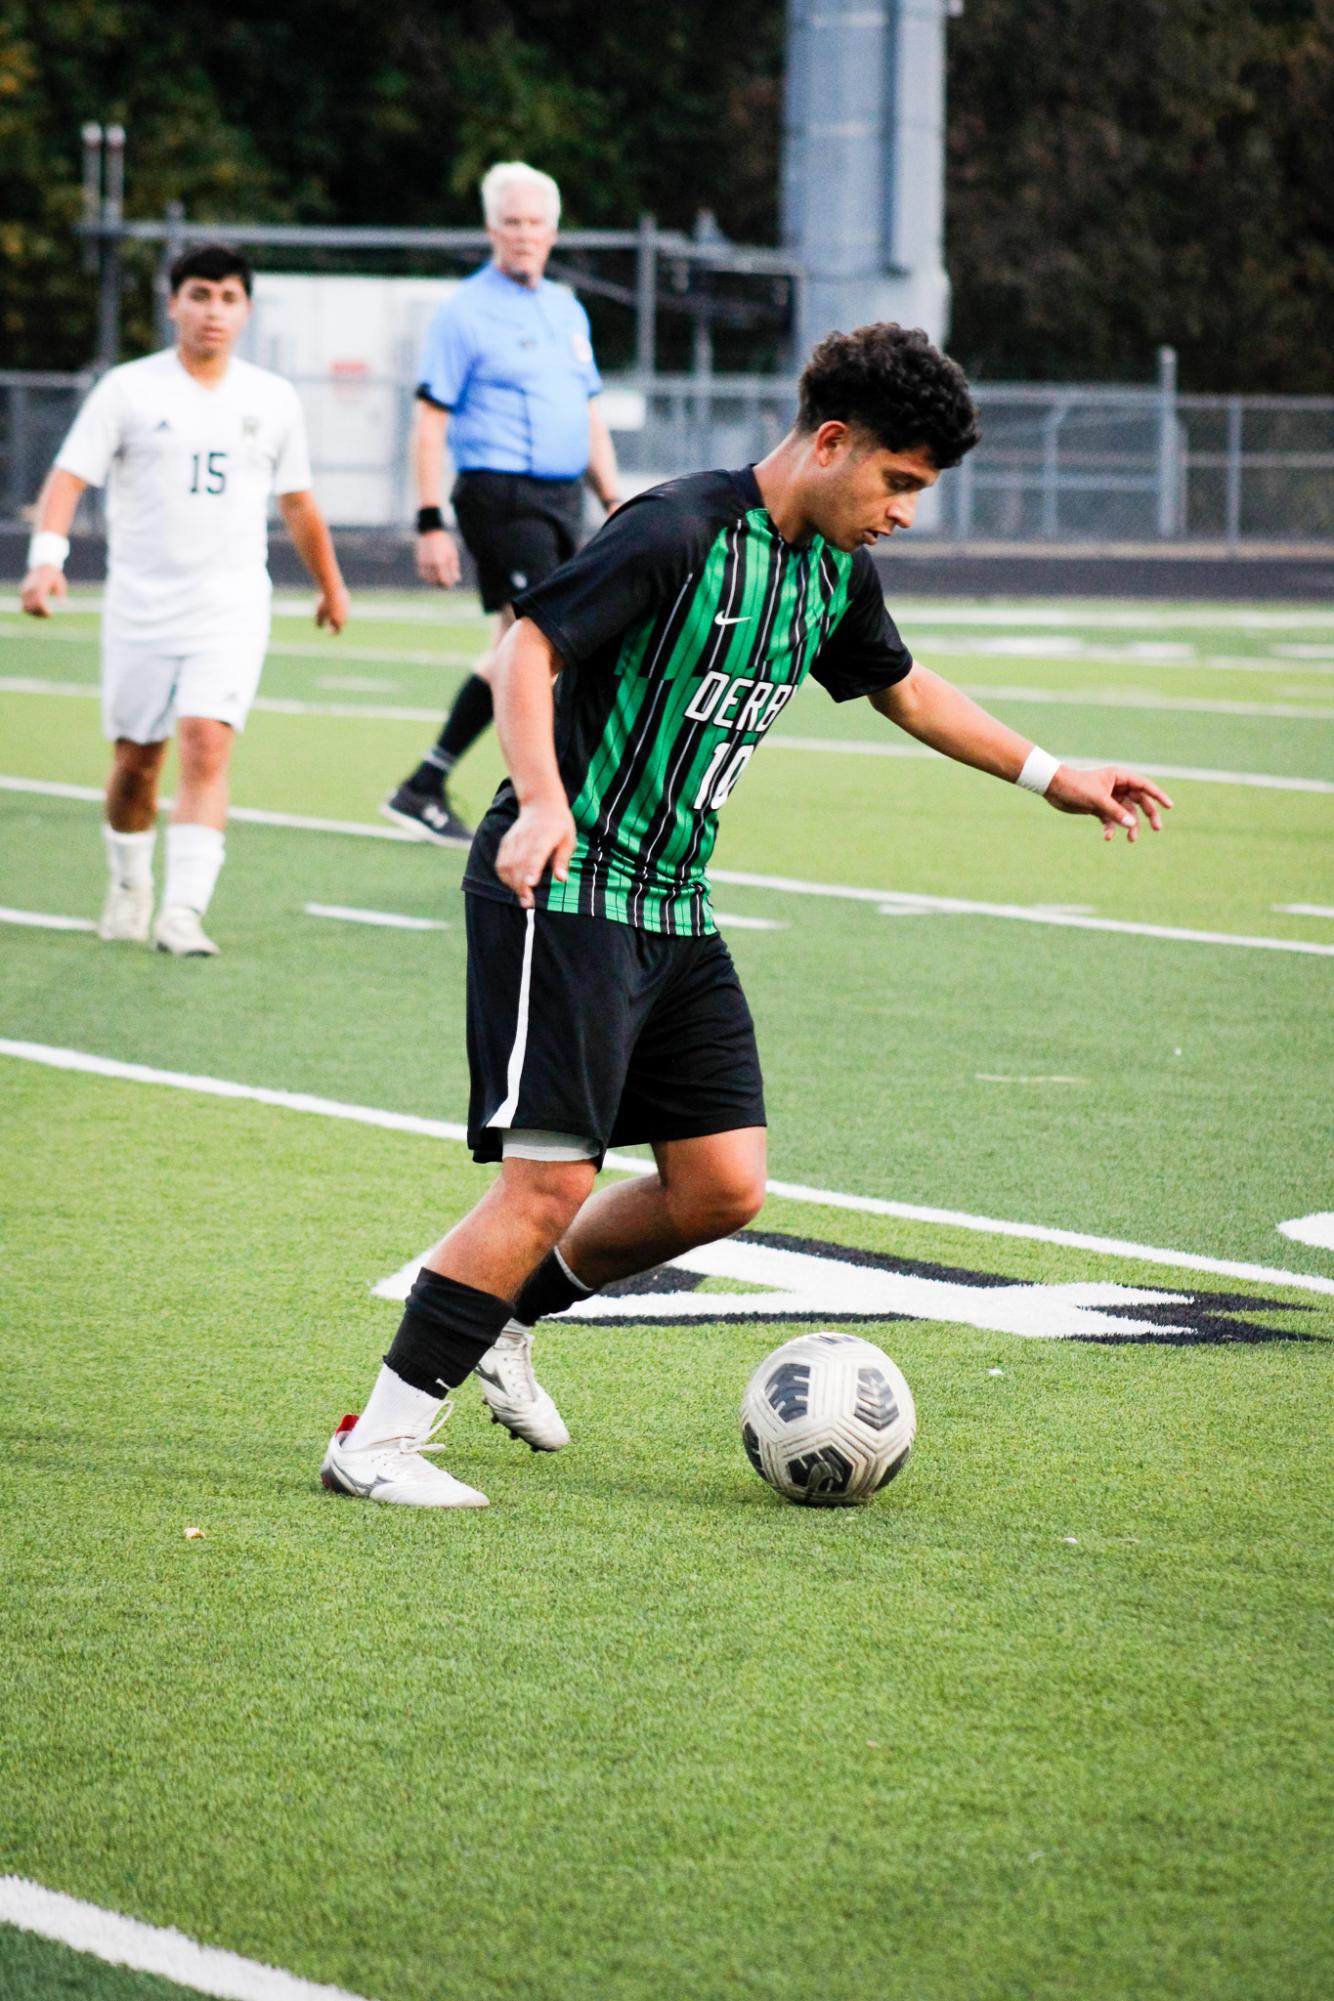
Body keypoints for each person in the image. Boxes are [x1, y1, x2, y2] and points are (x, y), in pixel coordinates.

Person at [322, 322, 1173, 1510]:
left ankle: (507, 1318)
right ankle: (378, 1441)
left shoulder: (831, 567)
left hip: (674, 902)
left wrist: (1052, 773)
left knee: (719, 1187)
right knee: (546, 1188)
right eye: (898, 483)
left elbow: (905, 689)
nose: (904, 513)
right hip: (561, 885)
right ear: (831, 442)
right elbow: (526, 648)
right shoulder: (677, 528)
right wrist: (541, 804)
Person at [20, 242, 348, 956]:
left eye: (229, 298)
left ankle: (183, 911)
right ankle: (130, 883)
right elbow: (68, 479)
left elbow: (298, 502)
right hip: (141, 605)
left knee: (206, 744)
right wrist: (48, 561)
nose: (213, 312)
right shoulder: (128, 390)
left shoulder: (272, 398)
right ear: (173, 304)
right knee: (138, 761)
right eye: (200, 295)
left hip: (230, 606)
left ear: (247, 310)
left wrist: (330, 583)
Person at [380, 160, 621, 847]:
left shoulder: (565, 307)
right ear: (492, 228)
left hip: (560, 495)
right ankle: (547, 803)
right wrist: (429, 521)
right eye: (511, 222)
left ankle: (424, 784)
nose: (523, 235)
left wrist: (613, 496)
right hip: (499, 494)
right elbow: (429, 422)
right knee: (549, 642)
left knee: (516, 647)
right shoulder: (464, 311)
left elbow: (588, 409)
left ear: (553, 230)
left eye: (535, 223)